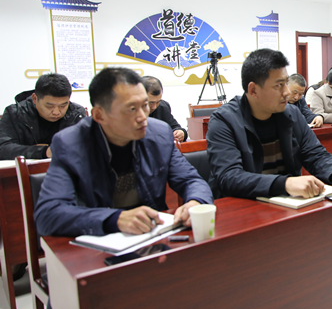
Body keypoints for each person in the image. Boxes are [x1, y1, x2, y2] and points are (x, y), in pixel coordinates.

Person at [34, 68, 213, 237]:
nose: (143, 117)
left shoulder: (159, 134)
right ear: (99, 115)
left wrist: (196, 202)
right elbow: (48, 214)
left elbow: (191, 180)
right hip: (98, 239)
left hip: (154, 233)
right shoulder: (70, 144)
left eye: (145, 106)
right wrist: (115, 219)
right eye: (131, 109)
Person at [206, 49, 332, 200]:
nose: (286, 92)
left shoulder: (292, 114)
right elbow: (229, 177)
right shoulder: (224, 121)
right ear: (253, 90)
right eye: (278, 85)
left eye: (286, 83)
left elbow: (315, 155)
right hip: (242, 208)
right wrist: (285, 184)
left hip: (287, 206)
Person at [0, 73, 86, 160]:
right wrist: (44, 151)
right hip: (25, 168)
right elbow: (3, 148)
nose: (56, 112)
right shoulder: (15, 113)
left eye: (63, 106)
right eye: (50, 106)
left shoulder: (76, 114)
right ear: (34, 99)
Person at [142, 76, 187, 141]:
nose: (154, 107)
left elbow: (175, 127)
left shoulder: (162, 107)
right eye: (151, 103)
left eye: (158, 102)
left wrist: (180, 132)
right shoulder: (130, 112)